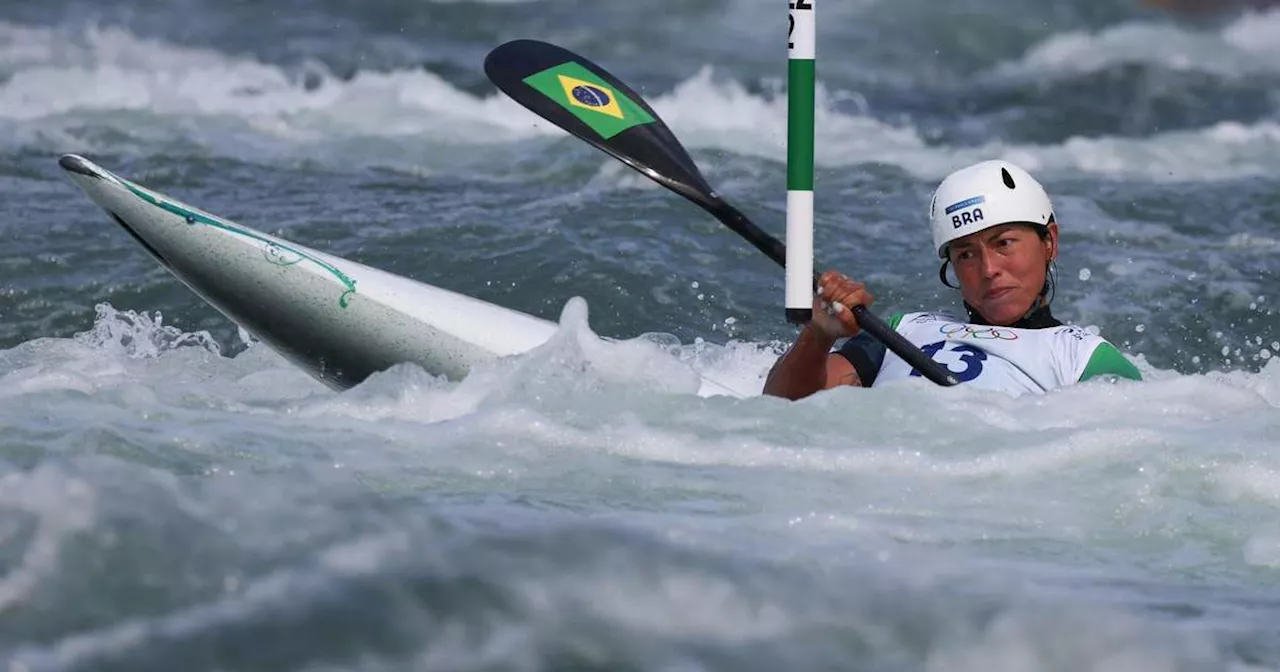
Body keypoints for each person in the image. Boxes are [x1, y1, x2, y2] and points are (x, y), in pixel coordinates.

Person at [763, 160, 1142, 400]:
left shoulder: (1083, 357)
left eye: (1004, 243)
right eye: (966, 254)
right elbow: (784, 409)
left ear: (1050, 242)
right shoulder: (902, 331)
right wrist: (819, 335)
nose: (989, 268)